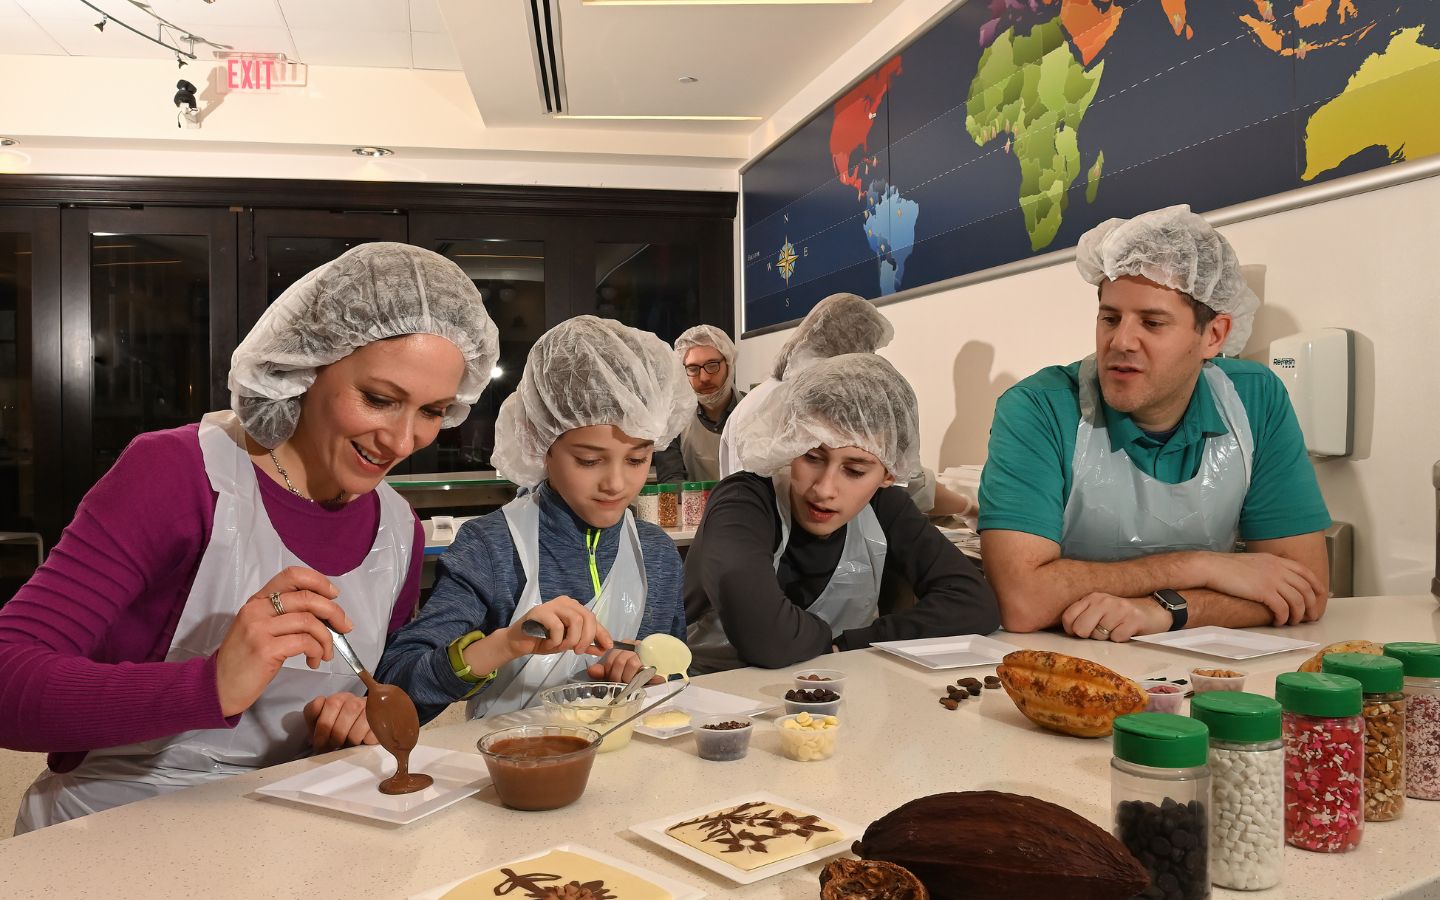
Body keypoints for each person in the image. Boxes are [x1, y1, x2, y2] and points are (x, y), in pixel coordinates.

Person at [0, 242, 501, 832]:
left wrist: (351, 716)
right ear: (308, 366)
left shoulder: (397, 528)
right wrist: (209, 685)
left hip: (287, 831)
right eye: (379, 399)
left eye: (433, 410)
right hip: (114, 829)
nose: (401, 441)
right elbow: (9, 680)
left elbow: (371, 686)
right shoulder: (178, 474)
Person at [978, 205, 1331, 642]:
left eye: (1152, 322)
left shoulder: (1255, 400)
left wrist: (1164, 610)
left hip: (1202, 671)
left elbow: (1304, 589)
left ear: (1214, 336)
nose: (1121, 342)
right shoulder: (1040, 408)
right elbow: (1023, 599)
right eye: (1110, 318)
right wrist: (1201, 566)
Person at [376, 316, 691, 721]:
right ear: (541, 444)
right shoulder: (491, 548)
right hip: (513, 766)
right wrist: (505, 643)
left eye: (637, 459)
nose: (616, 483)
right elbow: (399, 687)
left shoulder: (657, 554)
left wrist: (638, 674)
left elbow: (672, 673)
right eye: (589, 460)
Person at [685, 353, 999, 674]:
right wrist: (829, 642)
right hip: (712, 699)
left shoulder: (884, 506)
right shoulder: (743, 501)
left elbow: (975, 604)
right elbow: (766, 637)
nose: (824, 489)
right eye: (811, 456)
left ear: (889, 473)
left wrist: (851, 643)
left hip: (825, 698)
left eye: (855, 470)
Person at [719, 293, 970, 517]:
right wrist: (969, 507)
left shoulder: (758, 398)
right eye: (868, 351)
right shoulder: (815, 401)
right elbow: (902, 481)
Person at [653, 325, 744, 484]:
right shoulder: (673, 420)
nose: (704, 378)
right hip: (692, 508)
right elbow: (671, 482)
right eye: (693, 369)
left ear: (729, 364)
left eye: (712, 365)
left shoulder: (755, 411)